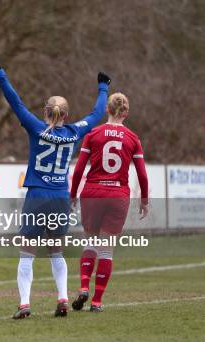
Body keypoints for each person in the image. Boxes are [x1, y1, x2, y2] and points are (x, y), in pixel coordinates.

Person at [0, 60, 110, 319]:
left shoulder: (35, 127)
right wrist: (103, 87)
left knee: (27, 252)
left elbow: (15, 102)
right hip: (59, 197)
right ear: (65, 115)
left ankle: (24, 304)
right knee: (56, 250)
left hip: (37, 195)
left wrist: (0, 74)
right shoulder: (73, 132)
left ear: (46, 112)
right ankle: (63, 298)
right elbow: (96, 113)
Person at [70, 92, 149, 312]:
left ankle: (84, 286)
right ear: (126, 112)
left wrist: (73, 194)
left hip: (93, 192)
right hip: (117, 195)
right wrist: (144, 200)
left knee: (89, 242)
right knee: (106, 249)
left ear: (107, 109)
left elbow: (78, 169)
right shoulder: (133, 138)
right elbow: (142, 175)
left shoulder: (93, 133)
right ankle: (96, 302)